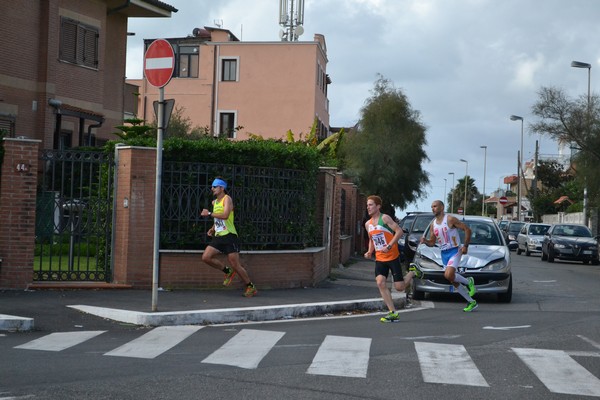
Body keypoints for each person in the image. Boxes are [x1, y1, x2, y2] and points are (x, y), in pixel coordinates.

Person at [364, 195, 422, 323]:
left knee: (400, 287)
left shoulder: (384, 218)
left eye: (371, 204)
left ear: (378, 206)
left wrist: (390, 245)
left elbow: (399, 231)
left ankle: (413, 272)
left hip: (393, 257)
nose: (368, 207)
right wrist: (369, 251)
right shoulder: (368, 224)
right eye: (367, 205)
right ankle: (393, 312)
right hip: (380, 258)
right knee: (380, 282)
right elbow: (372, 239)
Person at [200, 177, 257, 297]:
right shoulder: (214, 202)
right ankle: (227, 272)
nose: (212, 189)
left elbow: (225, 215)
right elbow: (218, 218)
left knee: (236, 265)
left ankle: (250, 287)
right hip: (219, 236)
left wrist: (209, 213)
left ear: (222, 188)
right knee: (206, 257)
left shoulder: (227, 199)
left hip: (230, 236)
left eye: (214, 187)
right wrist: (213, 228)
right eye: (212, 187)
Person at [419, 200, 477, 312]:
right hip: (444, 253)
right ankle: (471, 301)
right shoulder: (433, 225)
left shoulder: (450, 219)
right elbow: (432, 242)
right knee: (451, 278)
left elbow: (467, 229)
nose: (433, 209)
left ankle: (468, 281)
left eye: (435, 206)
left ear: (442, 207)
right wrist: (425, 241)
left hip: (455, 250)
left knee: (449, 274)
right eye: (432, 207)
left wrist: (465, 246)